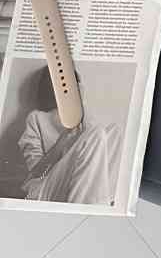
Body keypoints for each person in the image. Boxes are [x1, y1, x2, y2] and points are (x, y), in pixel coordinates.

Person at [17, 66, 121, 204]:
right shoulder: (36, 118)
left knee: (115, 131)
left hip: (78, 183)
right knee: (96, 134)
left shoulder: (84, 118)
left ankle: (102, 202)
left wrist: (80, 109)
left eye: (74, 84)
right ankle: (91, 206)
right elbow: (35, 172)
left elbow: (94, 158)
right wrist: (61, 142)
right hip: (44, 187)